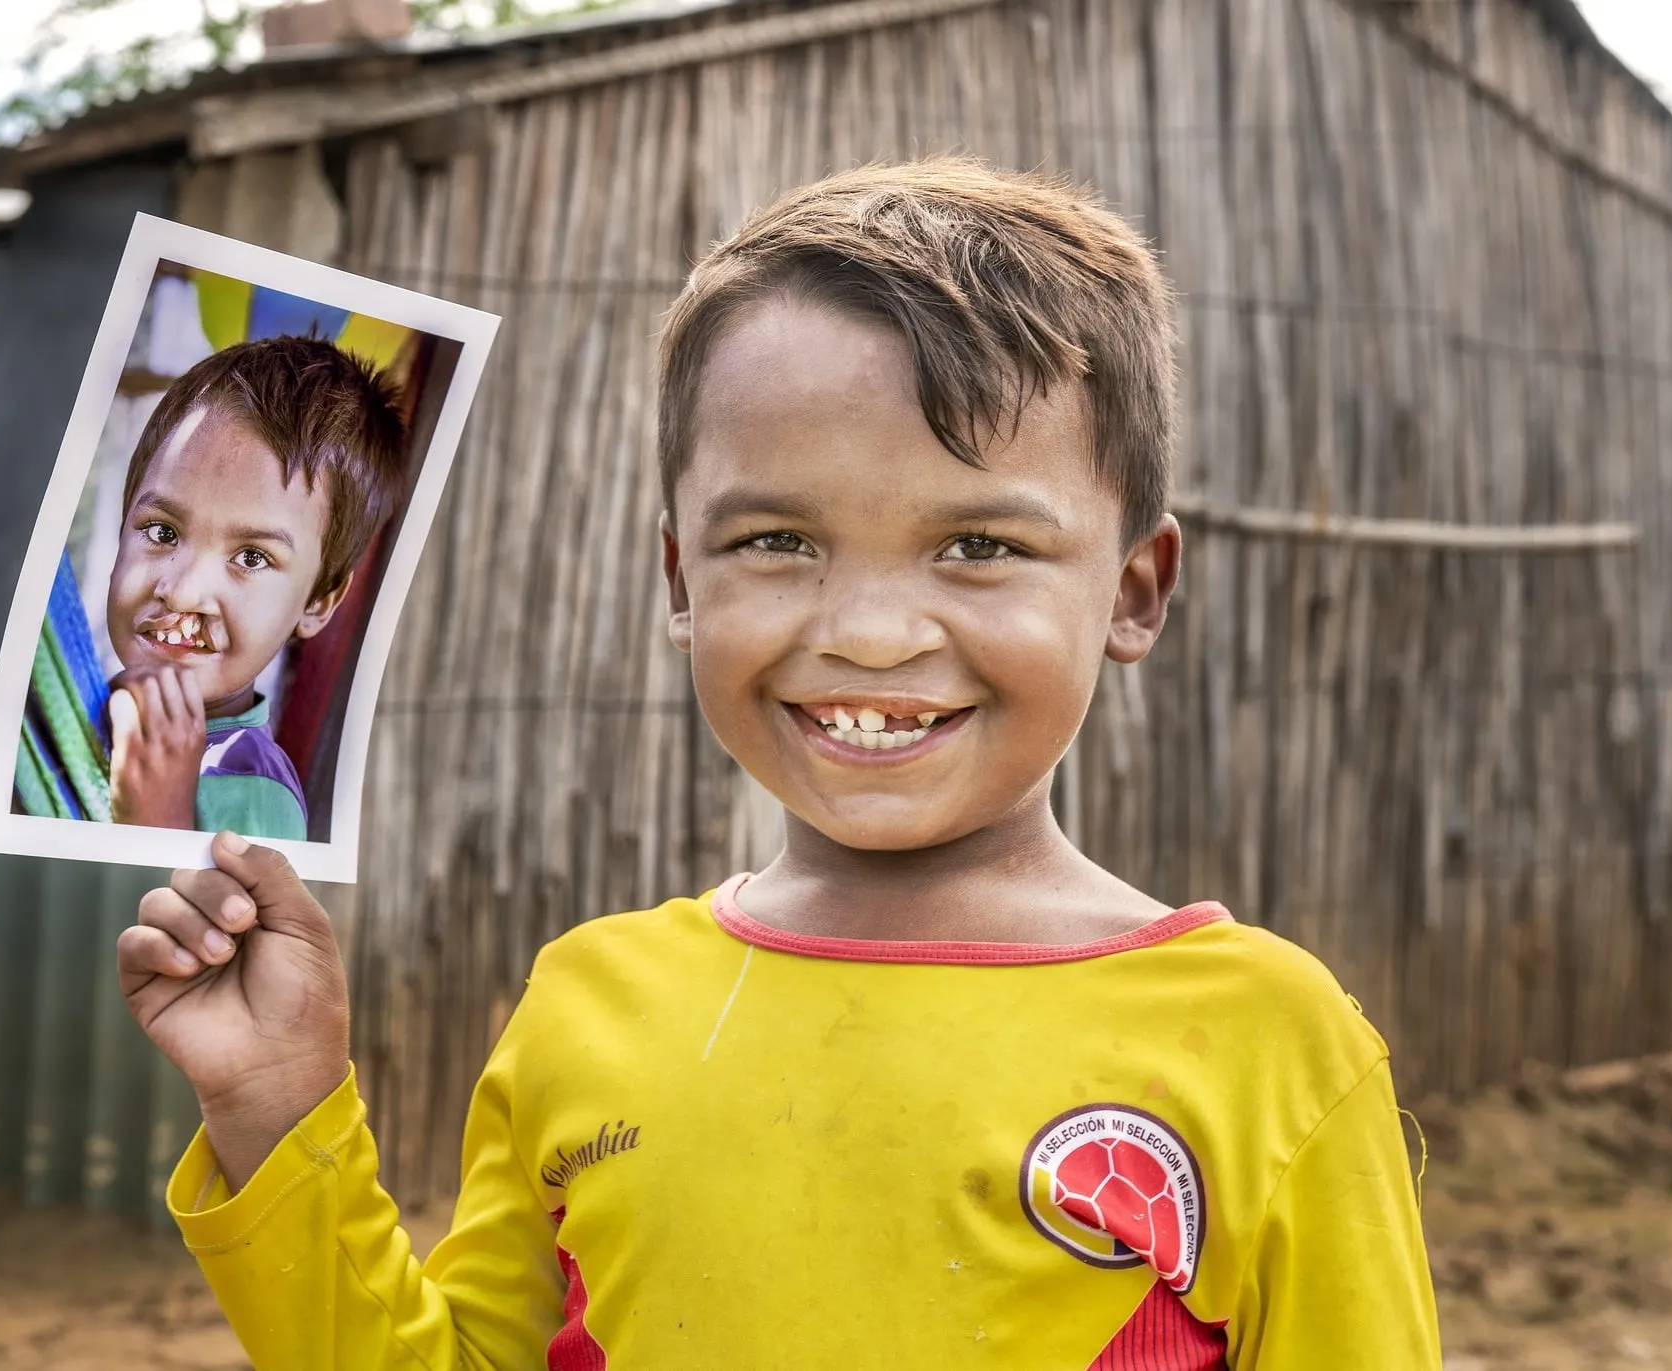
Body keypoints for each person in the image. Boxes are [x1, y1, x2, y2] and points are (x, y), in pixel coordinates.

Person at [117, 160, 1442, 1368]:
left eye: (978, 544)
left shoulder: (1265, 1044)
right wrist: (276, 1105)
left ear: (1133, 591)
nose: (867, 631)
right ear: (681, 576)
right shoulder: (593, 1005)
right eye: (780, 541)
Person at [103, 333, 409, 840]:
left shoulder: (253, 796)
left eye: (251, 557)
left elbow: (228, 920)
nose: (181, 592)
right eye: (162, 532)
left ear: (318, 601)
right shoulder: (79, 704)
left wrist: (158, 819)